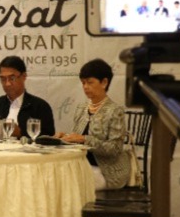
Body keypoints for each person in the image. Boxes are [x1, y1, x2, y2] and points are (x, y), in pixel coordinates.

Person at [55, 58, 129, 190]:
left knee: (67, 184)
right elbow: (78, 139)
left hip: (107, 172)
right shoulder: (81, 108)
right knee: (56, 176)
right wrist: (64, 138)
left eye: (90, 82)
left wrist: (84, 139)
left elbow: (114, 149)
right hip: (82, 166)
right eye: (83, 83)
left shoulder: (115, 111)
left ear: (104, 82)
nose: (85, 87)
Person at [0, 55, 55, 139]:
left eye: (12, 78)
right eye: (3, 79)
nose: (7, 84)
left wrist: (21, 133)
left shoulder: (40, 106)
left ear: (24, 76)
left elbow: (49, 138)